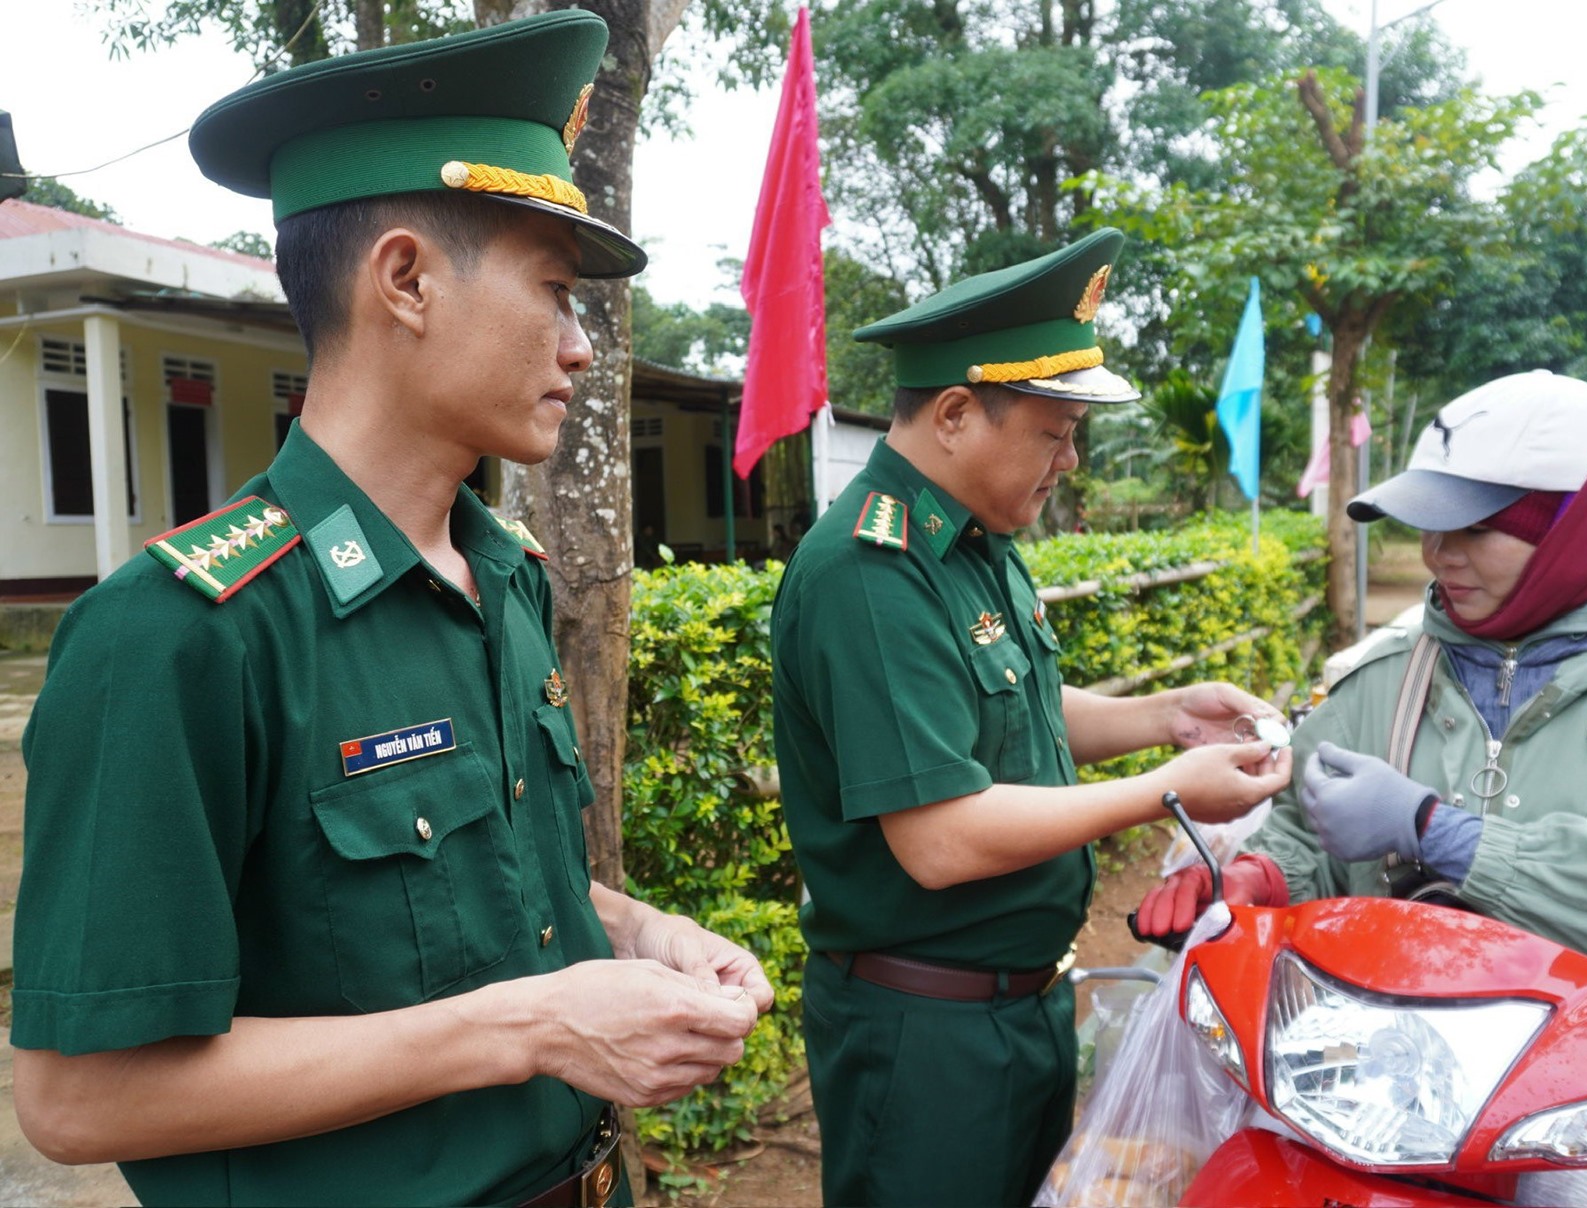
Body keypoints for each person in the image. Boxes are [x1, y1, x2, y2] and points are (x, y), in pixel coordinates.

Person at [9, 14, 771, 1207]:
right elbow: (75, 1097)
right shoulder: (183, 634)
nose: (579, 348)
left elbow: (485, 890)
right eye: (555, 291)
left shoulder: (505, 578)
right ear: (405, 279)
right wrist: (528, 1024)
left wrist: (634, 932)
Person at [770, 228, 1294, 1208]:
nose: (1068, 460)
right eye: (1052, 432)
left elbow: (1014, 704)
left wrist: (1166, 716)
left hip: (1018, 1001)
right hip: (923, 1031)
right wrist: (1162, 793)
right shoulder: (869, 571)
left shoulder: (973, 538)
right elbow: (939, 837)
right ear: (959, 414)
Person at [1132, 371, 1587, 1002]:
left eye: (1476, 528)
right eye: (1428, 525)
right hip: (1399, 1079)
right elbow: (1308, 832)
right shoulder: (1389, 678)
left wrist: (1436, 830)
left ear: (1581, 527)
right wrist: (1259, 877)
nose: (1438, 554)